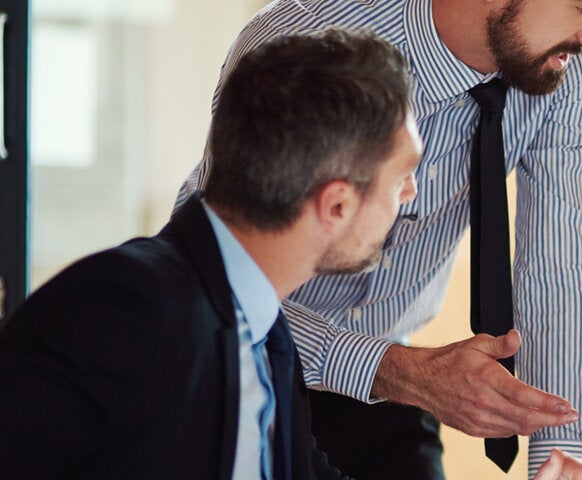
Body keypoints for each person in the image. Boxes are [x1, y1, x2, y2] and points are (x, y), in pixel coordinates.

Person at [176, 0, 582, 477]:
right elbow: (212, 270)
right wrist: (394, 369)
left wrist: (562, 453)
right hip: (239, 367)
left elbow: (561, 262)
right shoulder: (305, 40)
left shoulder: (567, 66)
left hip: (390, 391)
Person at [0, 28, 414, 479]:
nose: (410, 193)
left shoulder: (266, 331)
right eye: (401, 177)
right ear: (336, 204)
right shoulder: (121, 305)